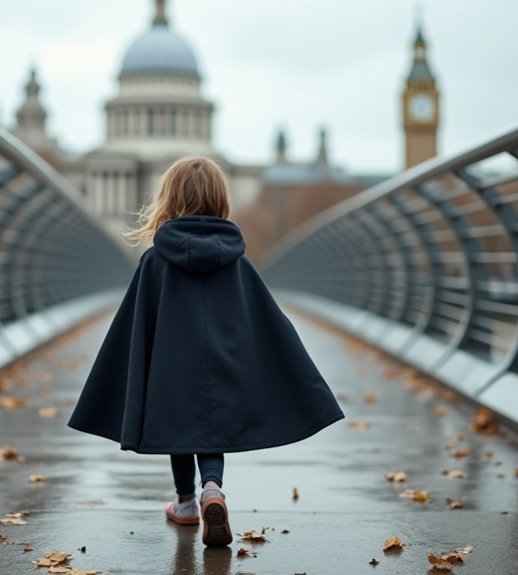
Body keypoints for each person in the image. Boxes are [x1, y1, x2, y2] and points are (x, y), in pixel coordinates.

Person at [67, 156, 344, 547]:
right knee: (212, 427)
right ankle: (212, 488)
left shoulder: (153, 262)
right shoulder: (238, 263)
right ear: (220, 200)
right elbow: (267, 321)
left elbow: (135, 325)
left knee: (178, 424)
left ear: (168, 199)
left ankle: (185, 502)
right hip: (222, 363)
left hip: (170, 368)